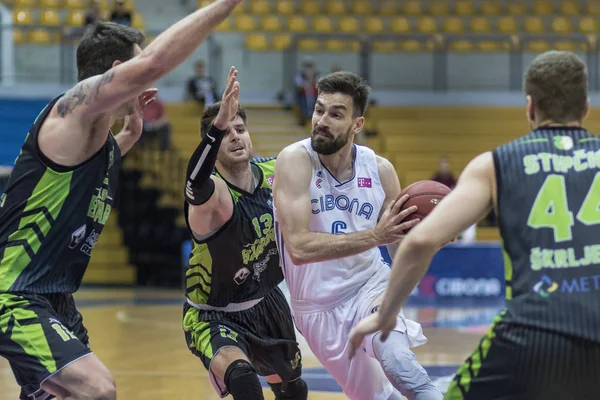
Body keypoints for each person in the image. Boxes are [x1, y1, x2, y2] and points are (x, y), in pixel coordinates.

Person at [0, 1, 242, 399]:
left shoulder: (98, 143)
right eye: (136, 65)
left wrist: (128, 134)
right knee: (97, 389)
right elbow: (153, 66)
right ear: (117, 70)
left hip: (54, 294)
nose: (148, 84)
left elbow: (89, 167)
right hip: (15, 291)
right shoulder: (73, 108)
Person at [348, 50, 600, 399]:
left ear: (530, 107)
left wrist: (386, 314)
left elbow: (419, 243)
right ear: (585, 106)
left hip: (530, 332)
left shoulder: (495, 164)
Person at [273, 71, 442, 400]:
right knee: (378, 397)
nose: (322, 120)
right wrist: (375, 235)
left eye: (336, 114)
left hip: (371, 286)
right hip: (317, 307)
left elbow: (397, 246)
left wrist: (428, 240)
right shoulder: (294, 161)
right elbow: (299, 248)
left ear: (357, 125)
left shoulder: (380, 170)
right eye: (319, 109)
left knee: (401, 365)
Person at [182, 67, 307, 400]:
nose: (235, 136)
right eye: (225, 133)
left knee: (294, 392)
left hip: (267, 302)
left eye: (240, 128)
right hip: (214, 313)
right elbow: (194, 184)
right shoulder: (214, 197)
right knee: (244, 381)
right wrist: (217, 123)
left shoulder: (274, 171)